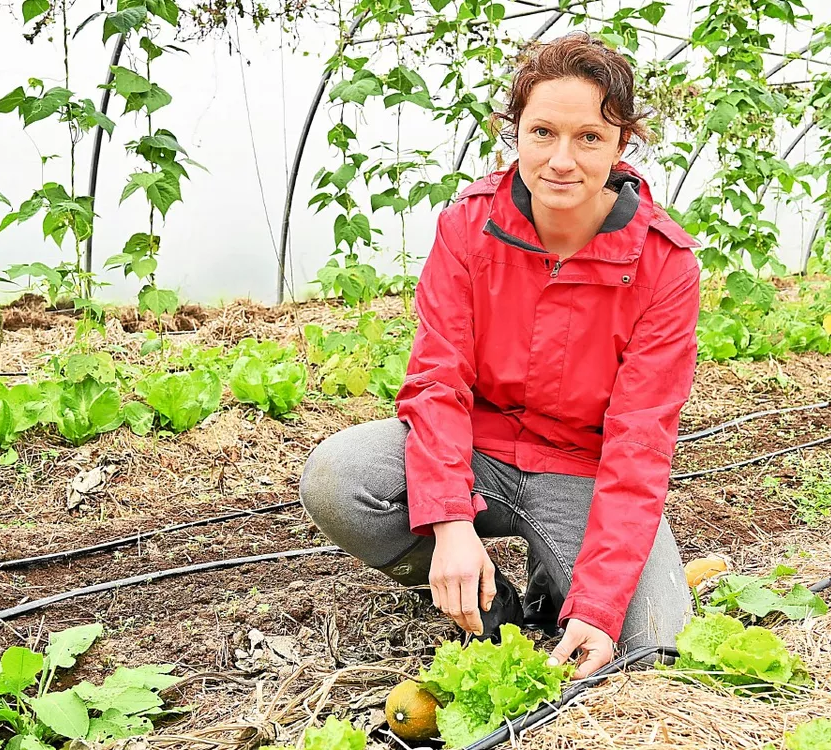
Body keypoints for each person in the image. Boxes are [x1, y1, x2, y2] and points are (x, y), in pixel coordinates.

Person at [299, 31, 701, 679]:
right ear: (515, 132)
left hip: (581, 473)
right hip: (479, 453)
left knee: (653, 650)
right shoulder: (471, 225)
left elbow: (639, 440)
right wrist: (450, 521)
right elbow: (437, 383)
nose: (561, 159)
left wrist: (599, 606)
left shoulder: (662, 263)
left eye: (589, 138)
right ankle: (494, 606)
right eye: (542, 132)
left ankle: (561, 578)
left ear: (623, 144)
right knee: (339, 481)